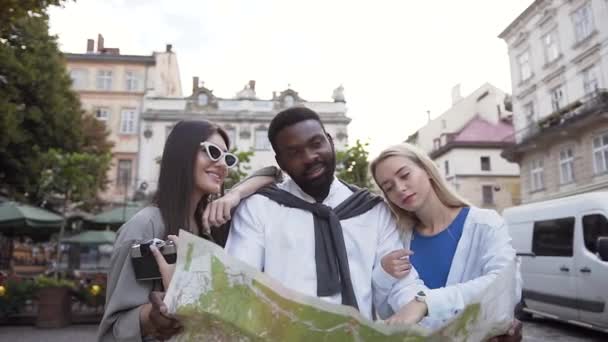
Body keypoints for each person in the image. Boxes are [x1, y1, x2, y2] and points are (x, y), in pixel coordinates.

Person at [224, 107, 428, 320]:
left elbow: (399, 283)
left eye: (316, 144)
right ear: (281, 162)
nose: (310, 157)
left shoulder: (372, 210)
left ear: (330, 141)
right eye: (294, 153)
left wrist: (418, 306)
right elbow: (239, 284)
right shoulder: (258, 209)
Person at [98, 120, 280, 342]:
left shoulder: (209, 225)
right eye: (213, 152)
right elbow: (114, 328)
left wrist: (235, 194)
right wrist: (158, 313)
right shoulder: (145, 225)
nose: (223, 164)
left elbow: (274, 175)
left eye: (227, 158)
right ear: (182, 154)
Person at [370, 142, 522, 339]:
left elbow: (505, 286)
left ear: (427, 170)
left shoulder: (485, 223)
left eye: (405, 175)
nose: (400, 188)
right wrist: (383, 273)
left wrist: (425, 303)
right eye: (388, 187)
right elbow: (388, 312)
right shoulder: (400, 240)